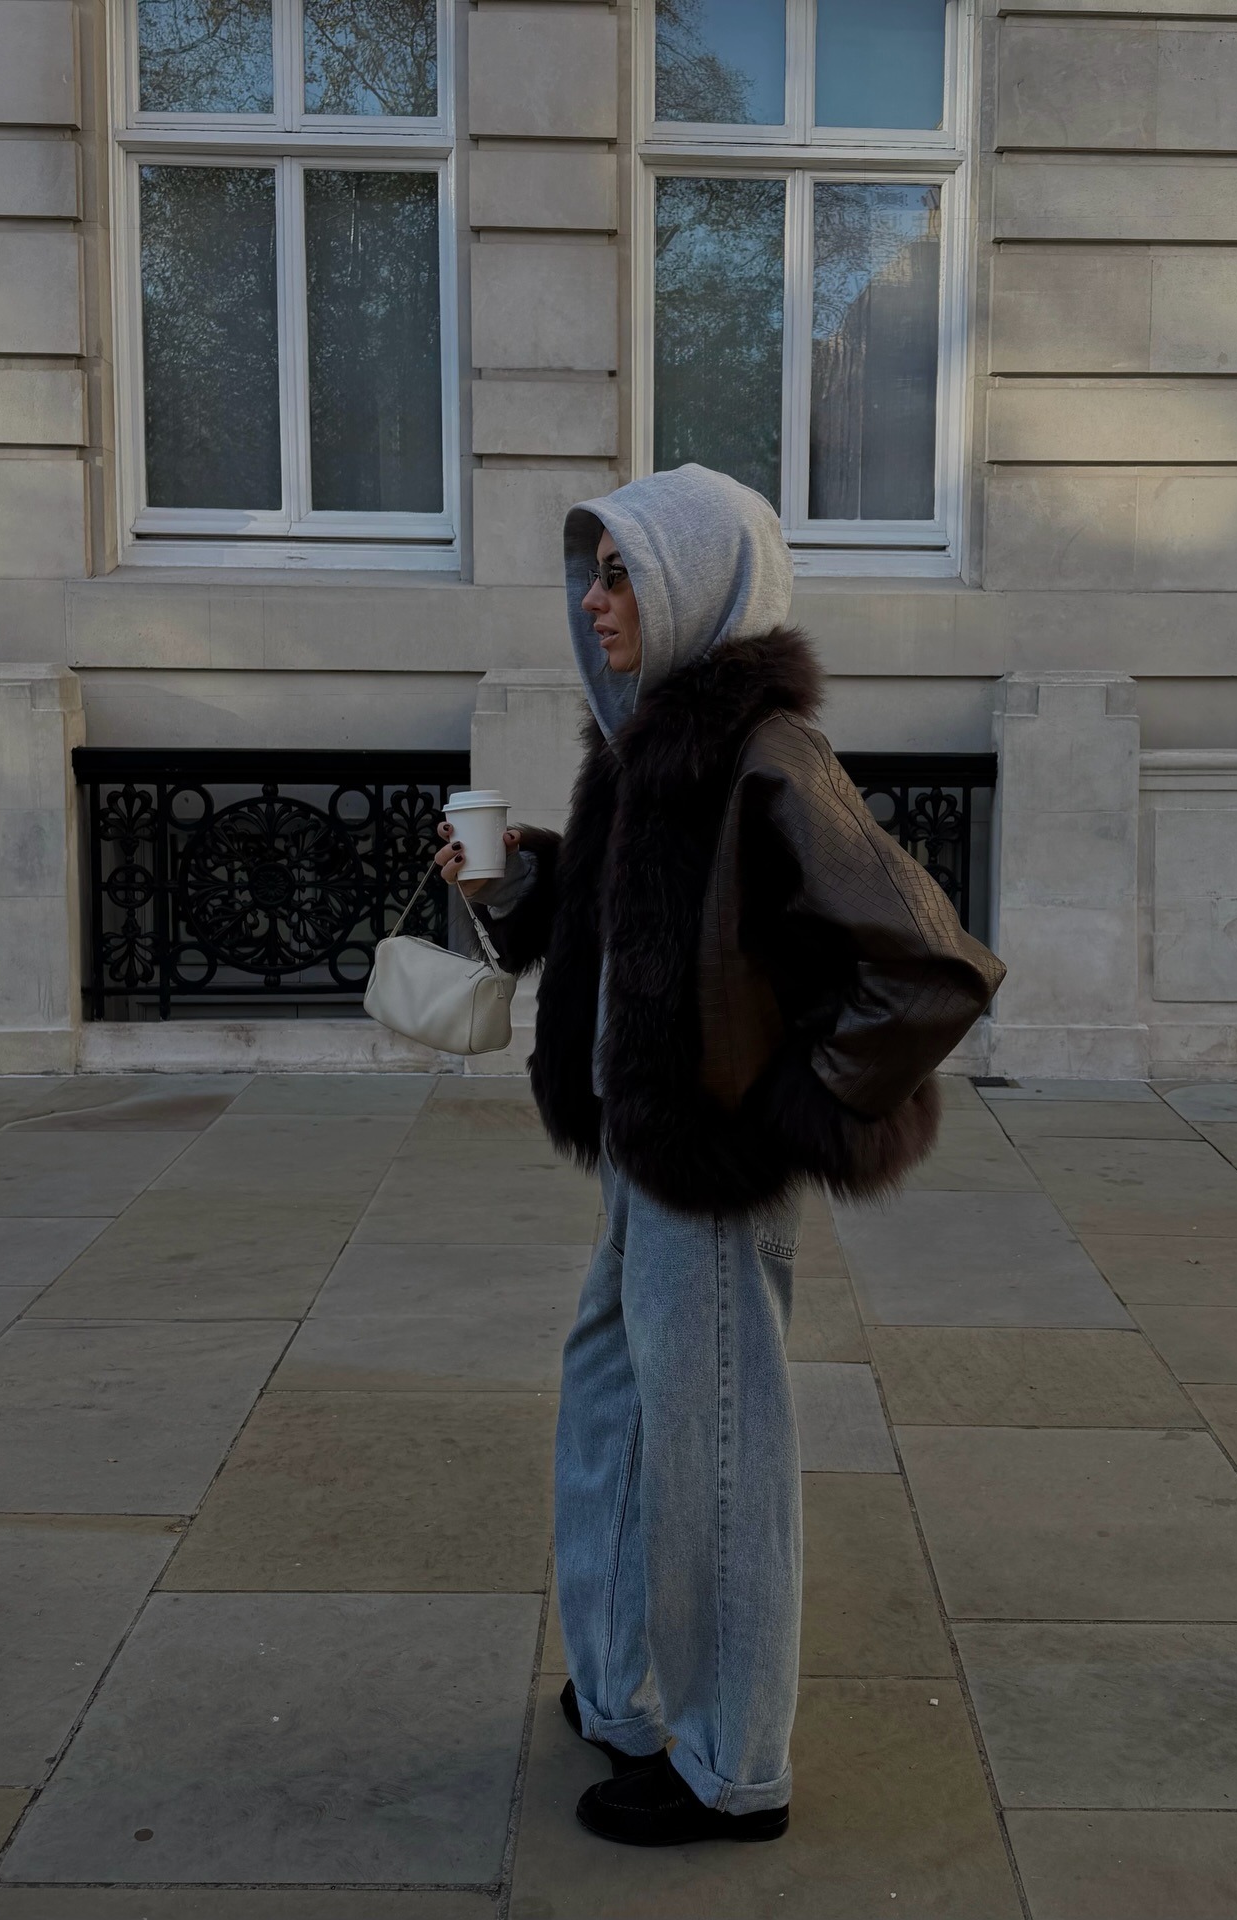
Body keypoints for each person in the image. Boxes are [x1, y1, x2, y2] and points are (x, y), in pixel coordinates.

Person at [437, 464, 1003, 1848]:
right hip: (649, 1147)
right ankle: (629, 1694)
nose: (596, 600)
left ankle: (732, 1765)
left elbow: (933, 965)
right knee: (613, 1407)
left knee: (719, 1452)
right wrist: (521, 881)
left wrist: (787, 1109)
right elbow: (659, 923)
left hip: (707, 1157)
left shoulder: (764, 753)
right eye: (594, 572)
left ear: (697, 584)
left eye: (624, 573)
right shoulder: (651, 748)